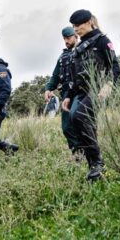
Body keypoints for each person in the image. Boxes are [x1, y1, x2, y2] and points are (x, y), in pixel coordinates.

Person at [62, 9, 120, 181]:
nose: (76, 29)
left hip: (97, 90)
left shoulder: (102, 41)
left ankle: (98, 163)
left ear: (89, 22)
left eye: (78, 25)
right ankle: (93, 167)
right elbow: (75, 76)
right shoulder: (79, 47)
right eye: (73, 26)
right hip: (81, 92)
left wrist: (108, 84)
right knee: (76, 121)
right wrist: (68, 96)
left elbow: (115, 66)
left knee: (80, 117)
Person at [44, 26, 79, 154]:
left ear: (76, 36)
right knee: (67, 127)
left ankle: (90, 155)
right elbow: (55, 76)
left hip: (81, 93)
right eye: (64, 38)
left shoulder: (83, 50)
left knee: (80, 123)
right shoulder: (62, 56)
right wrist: (48, 88)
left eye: (68, 38)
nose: (66, 41)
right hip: (66, 95)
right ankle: (78, 154)